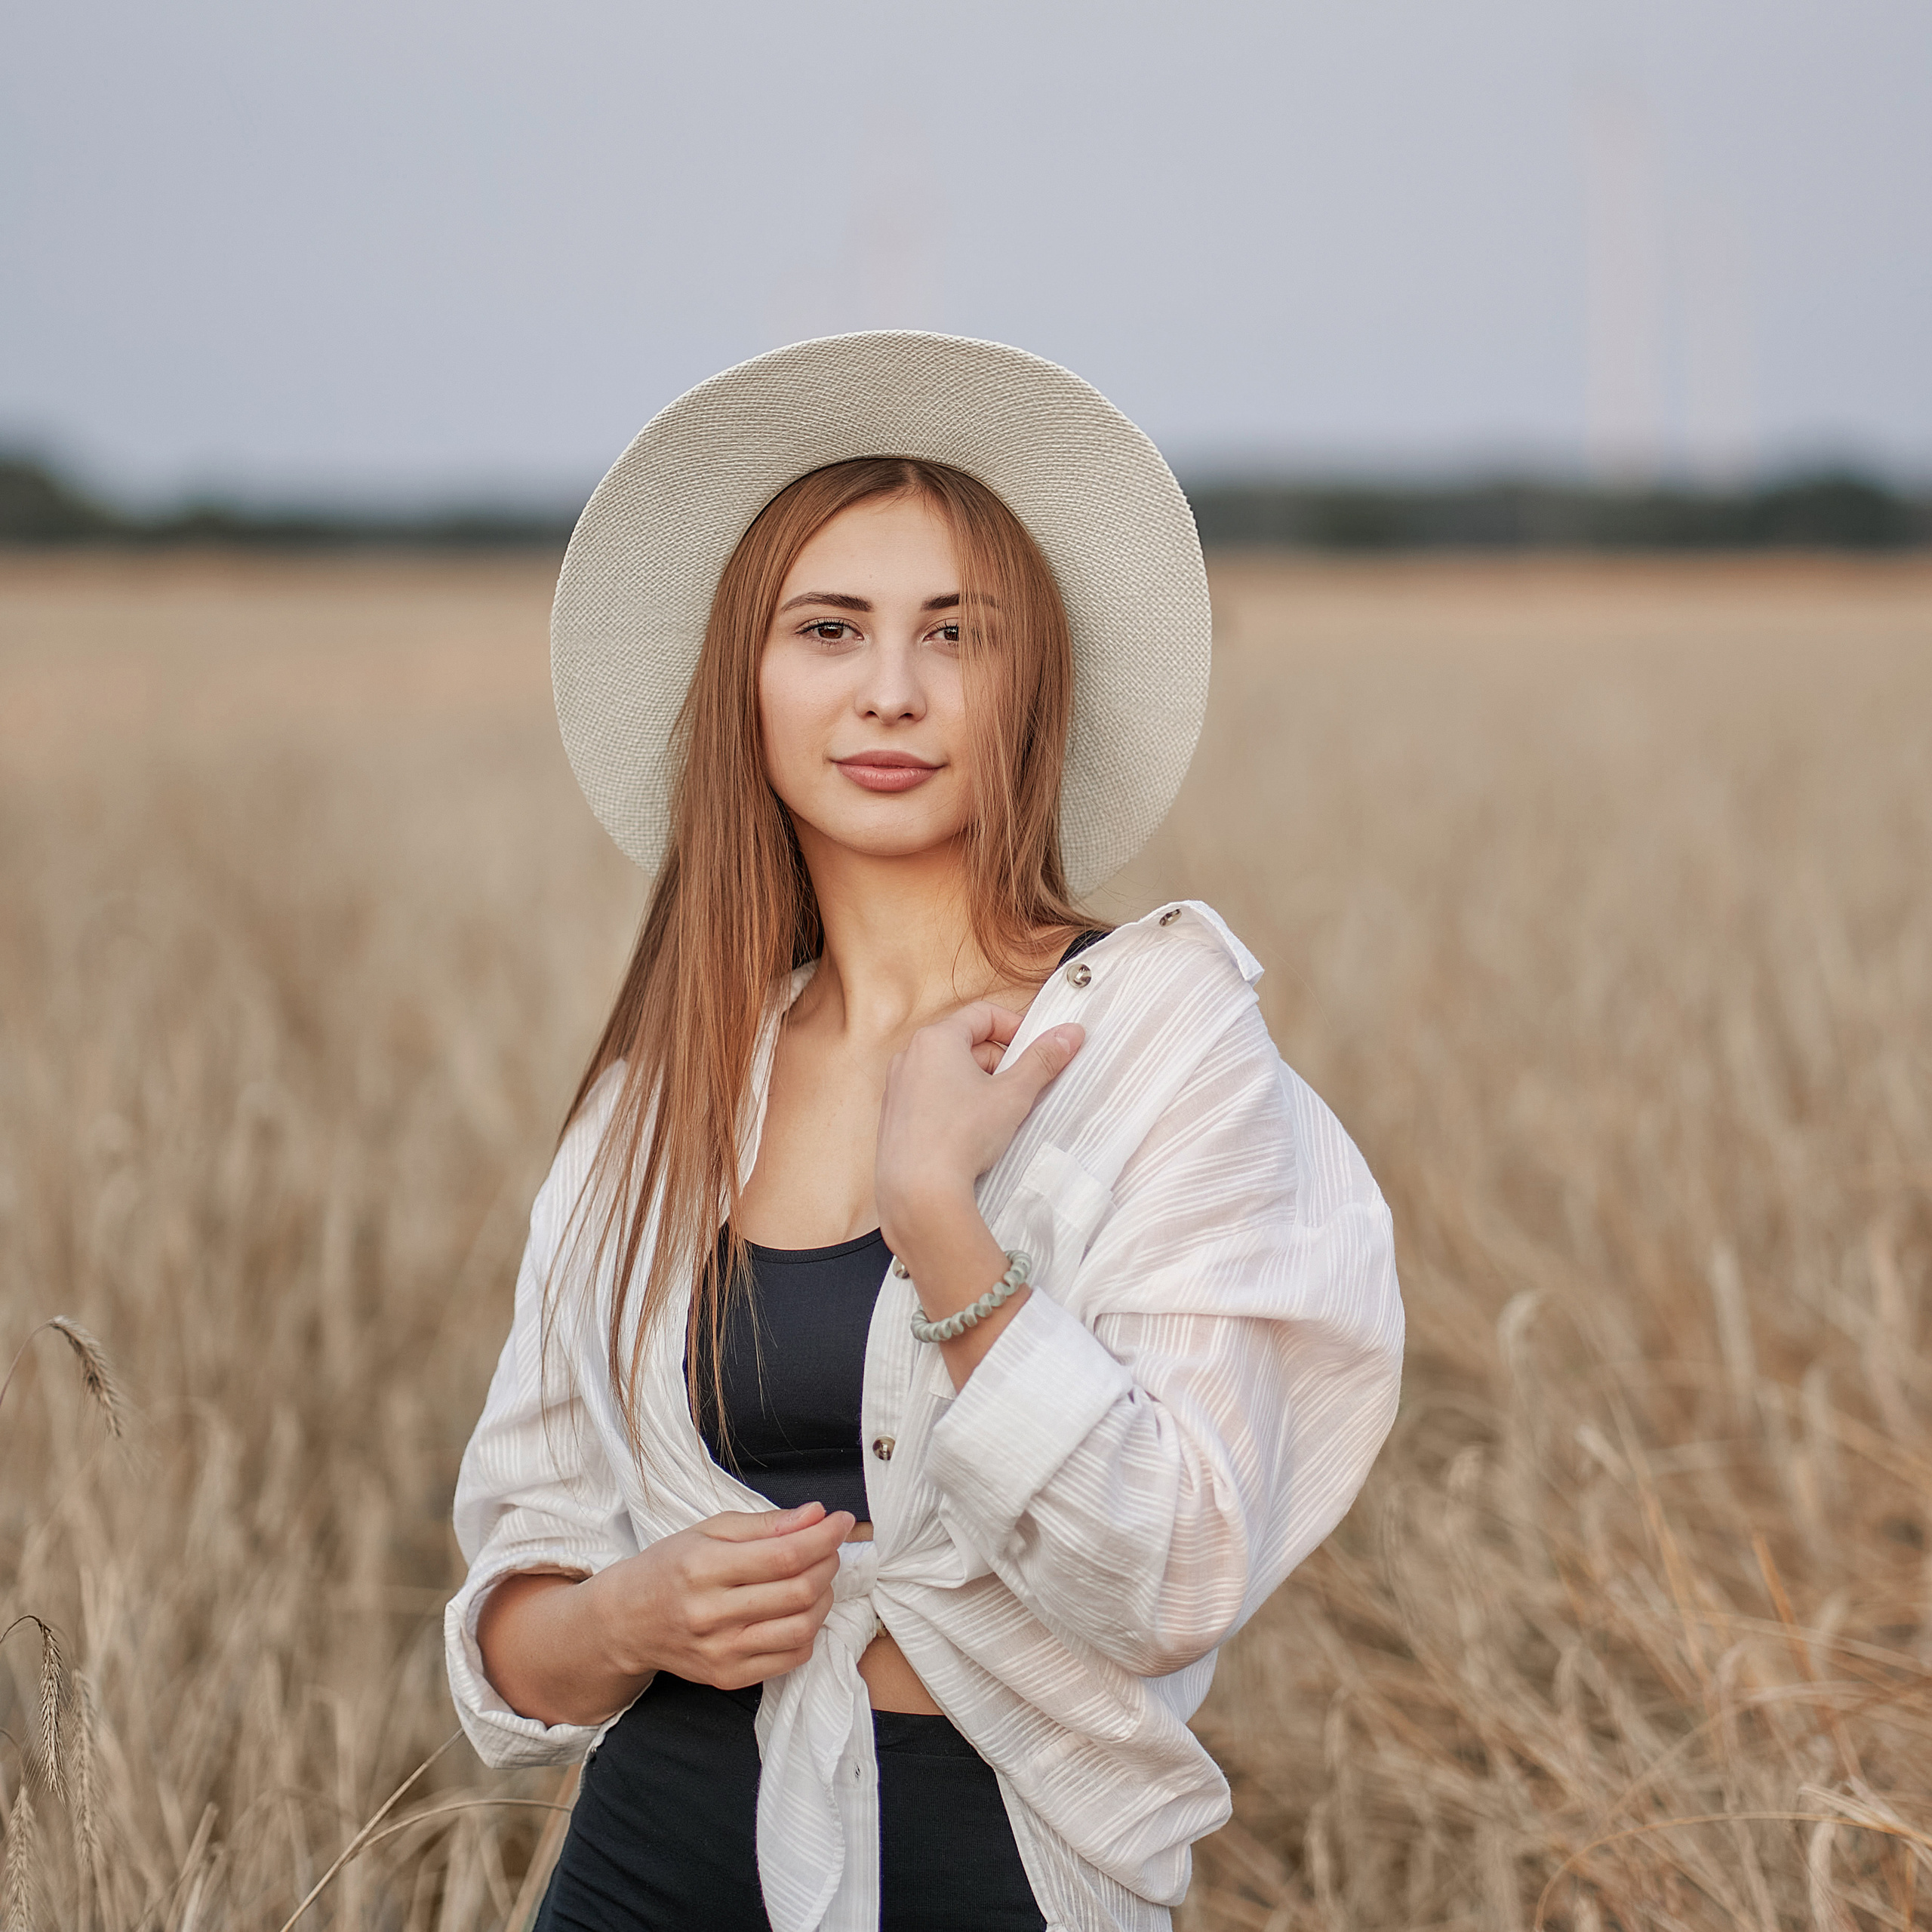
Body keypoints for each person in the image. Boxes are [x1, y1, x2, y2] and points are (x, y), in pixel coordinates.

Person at [444, 333, 1404, 1932]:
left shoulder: (1158, 1030)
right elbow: (510, 1623)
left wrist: (935, 1217)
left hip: (995, 1860)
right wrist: (624, 1611)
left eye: (954, 635)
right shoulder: (661, 1086)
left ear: (1029, 686)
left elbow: (1174, 1571)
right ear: (742, 679)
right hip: (647, 1854)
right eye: (828, 629)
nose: (890, 688)